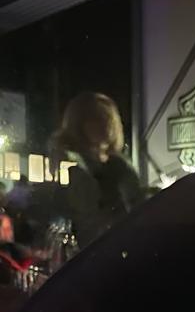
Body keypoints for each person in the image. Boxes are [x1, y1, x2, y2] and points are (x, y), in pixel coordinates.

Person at [50, 92, 144, 248]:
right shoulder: (69, 163)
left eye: (109, 118)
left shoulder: (120, 166)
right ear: (79, 123)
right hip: (81, 249)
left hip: (119, 246)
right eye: (97, 118)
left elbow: (137, 207)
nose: (106, 124)